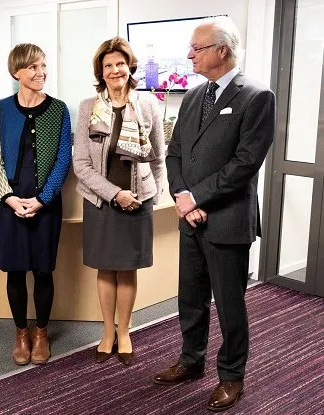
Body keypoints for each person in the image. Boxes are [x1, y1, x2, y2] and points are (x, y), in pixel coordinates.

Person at [153, 16, 275, 412]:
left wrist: (196, 198)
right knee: (190, 299)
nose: (189, 54)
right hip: (191, 221)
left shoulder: (256, 96)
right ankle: (191, 361)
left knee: (229, 304)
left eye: (197, 47)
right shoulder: (191, 96)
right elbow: (174, 153)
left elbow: (244, 164)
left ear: (222, 50)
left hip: (227, 221)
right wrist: (183, 197)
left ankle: (231, 376)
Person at [73, 37, 165, 366]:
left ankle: (123, 331)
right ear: (101, 70)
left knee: (127, 270)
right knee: (105, 268)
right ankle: (107, 333)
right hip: (102, 202)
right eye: (109, 65)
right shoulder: (88, 107)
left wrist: (153, 192)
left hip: (138, 202)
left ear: (130, 67)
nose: (115, 70)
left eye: (120, 64)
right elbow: (81, 164)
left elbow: (158, 156)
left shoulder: (148, 105)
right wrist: (115, 193)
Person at [0, 44, 72, 365]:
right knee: (15, 270)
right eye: (33, 67)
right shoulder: (0, 109)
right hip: (9, 201)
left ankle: (41, 333)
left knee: (43, 270)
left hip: (44, 203)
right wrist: (7, 197)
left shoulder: (59, 110)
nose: (41, 73)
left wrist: (42, 199)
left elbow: (63, 158)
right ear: (16, 73)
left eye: (43, 66)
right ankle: (21, 333)